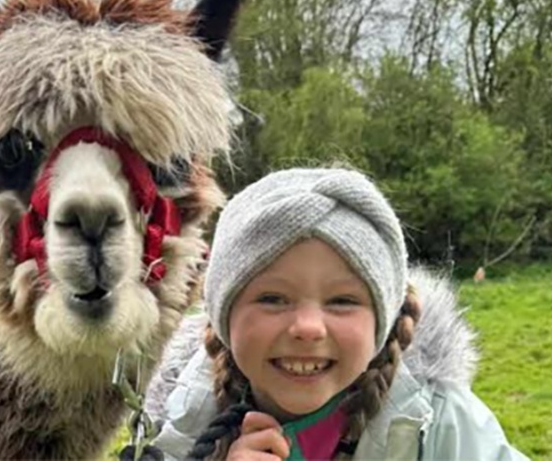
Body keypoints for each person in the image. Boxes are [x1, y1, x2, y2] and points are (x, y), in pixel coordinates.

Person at [146, 168, 528, 460]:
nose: (308, 328)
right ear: (222, 314)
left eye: (342, 301)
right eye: (273, 299)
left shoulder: (442, 426)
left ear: (384, 319)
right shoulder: (183, 420)